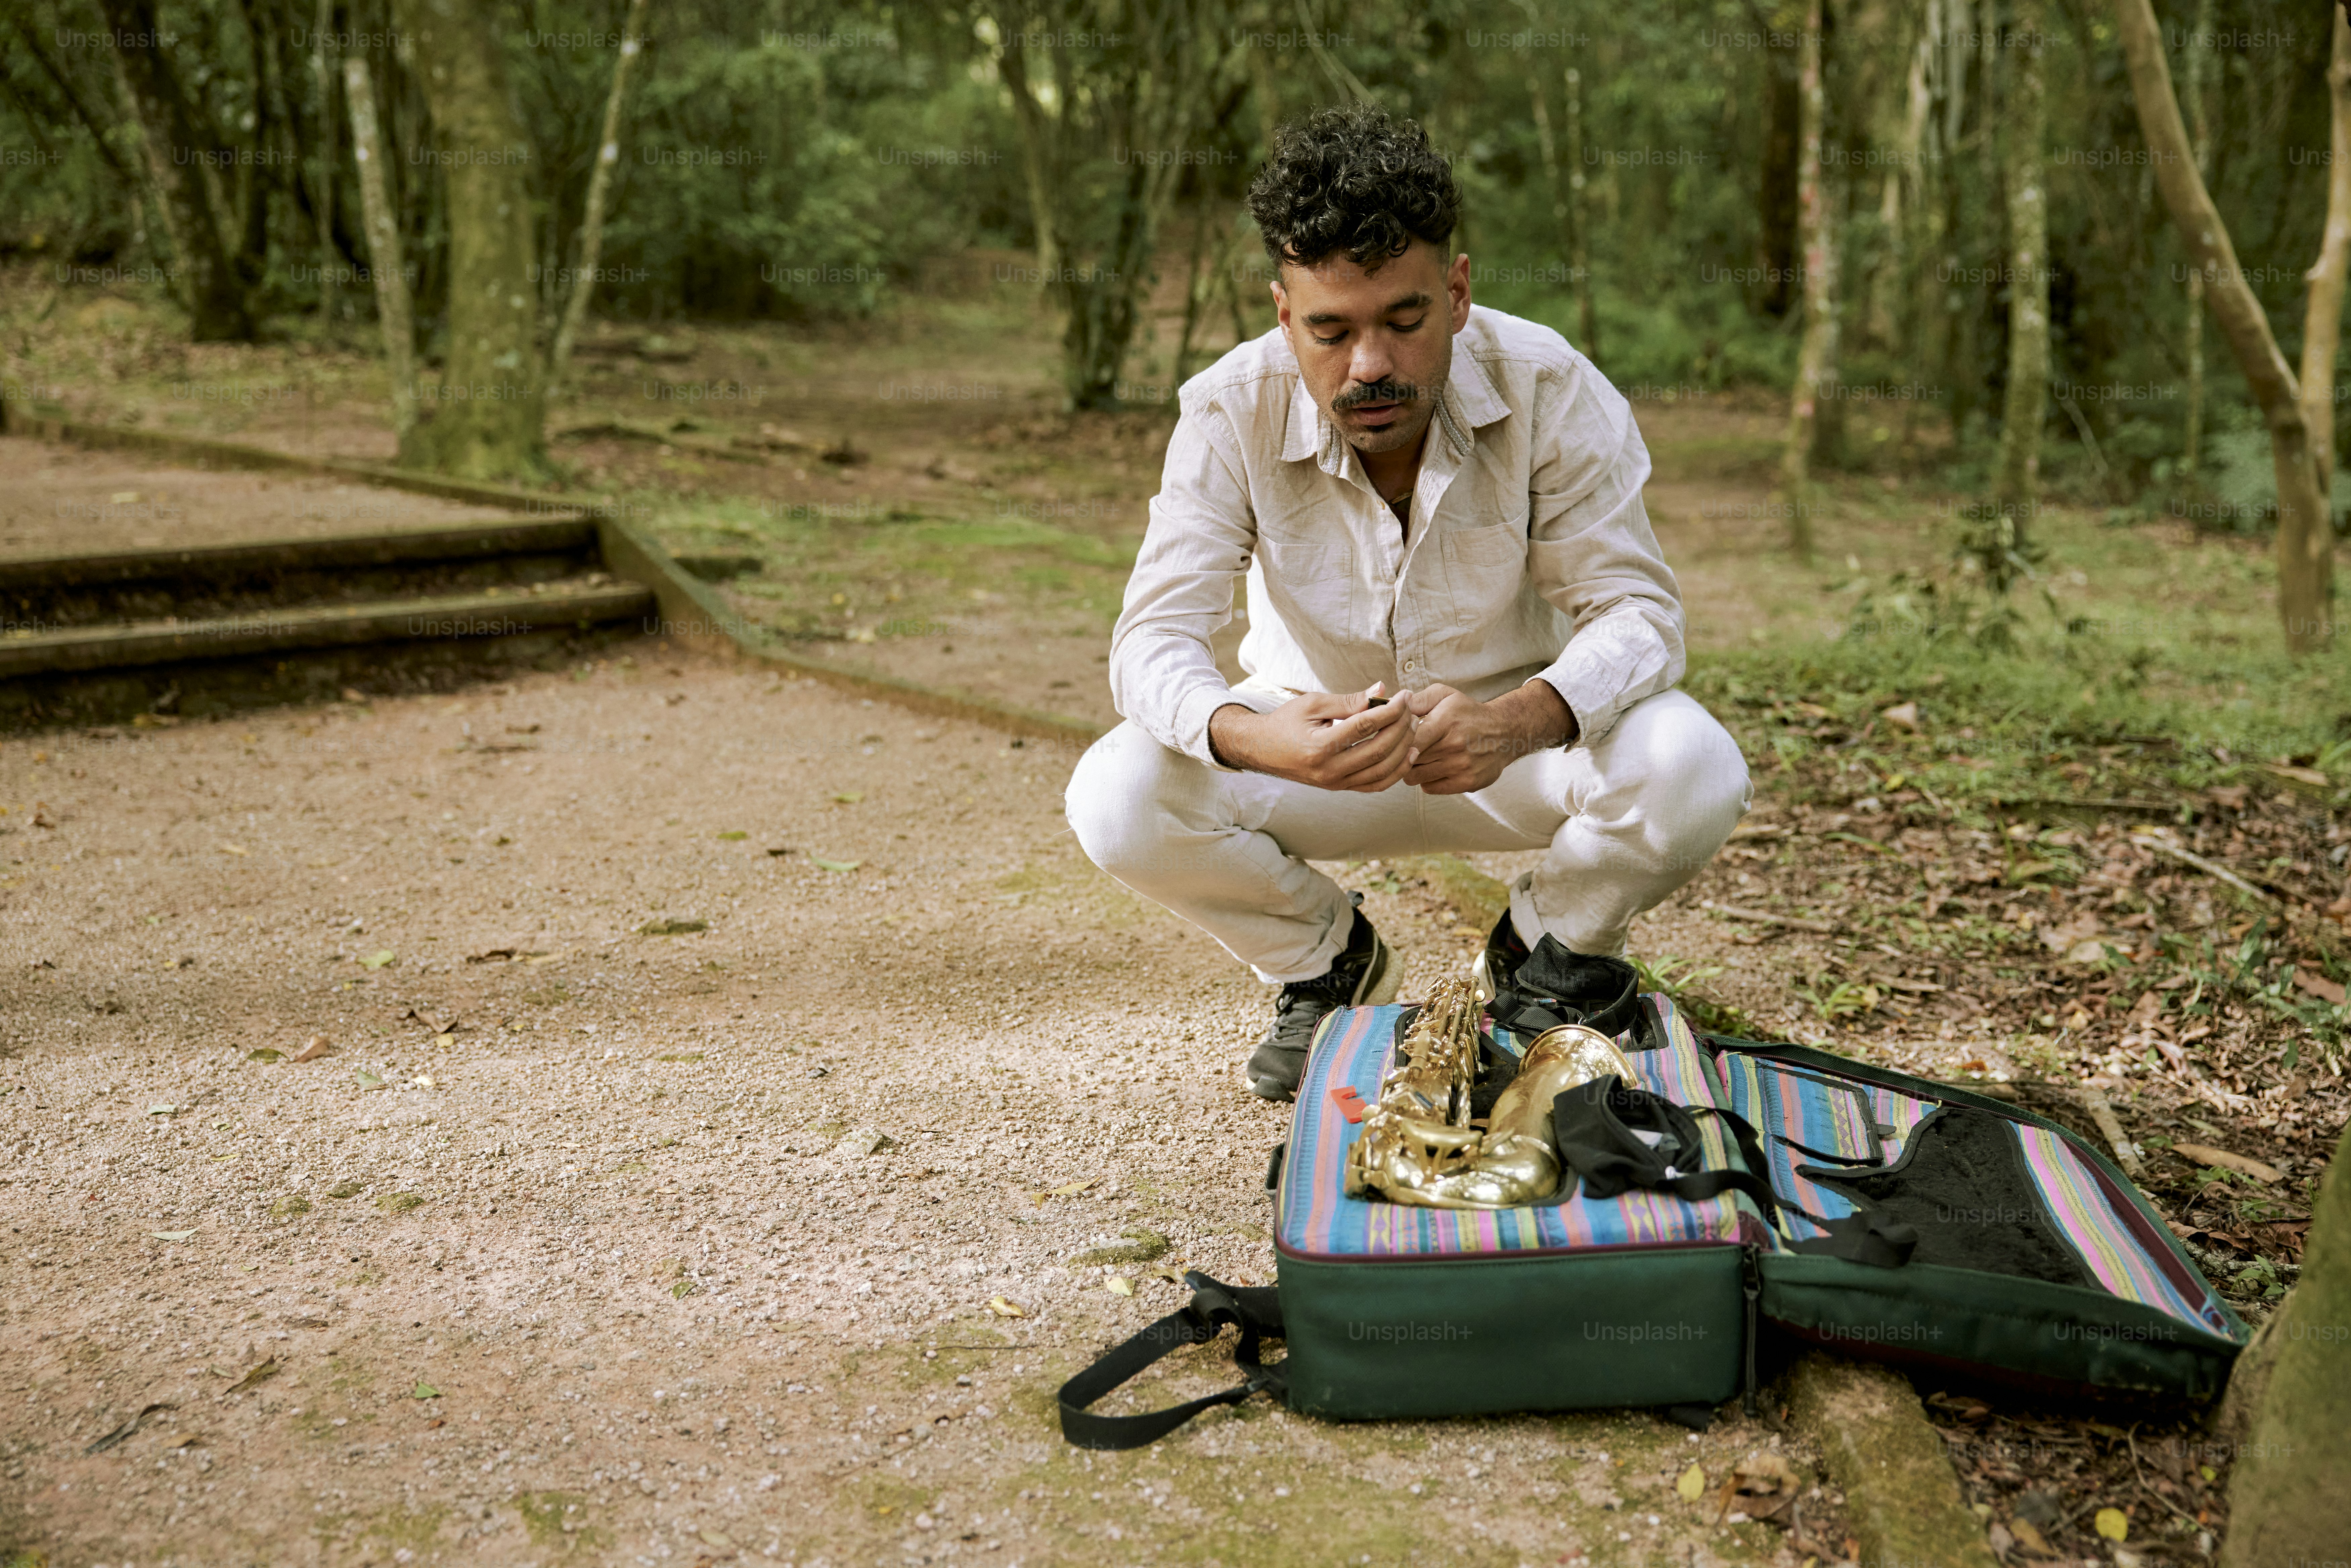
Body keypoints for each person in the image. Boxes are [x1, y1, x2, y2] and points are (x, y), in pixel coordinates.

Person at [1065, 103, 1750, 1102]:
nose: (1370, 365)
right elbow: (1152, 642)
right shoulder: (1227, 408)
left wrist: (1519, 720)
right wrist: (1258, 739)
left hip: (1518, 751)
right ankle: (1325, 964)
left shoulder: (1551, 385)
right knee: (1115, 795)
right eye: (1330, 331)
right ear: (1282, 313)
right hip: (1311, 753)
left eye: (1404, 319)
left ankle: (1542, 962)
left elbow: (1640, 615)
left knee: (1693, 764)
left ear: (1459, 292)